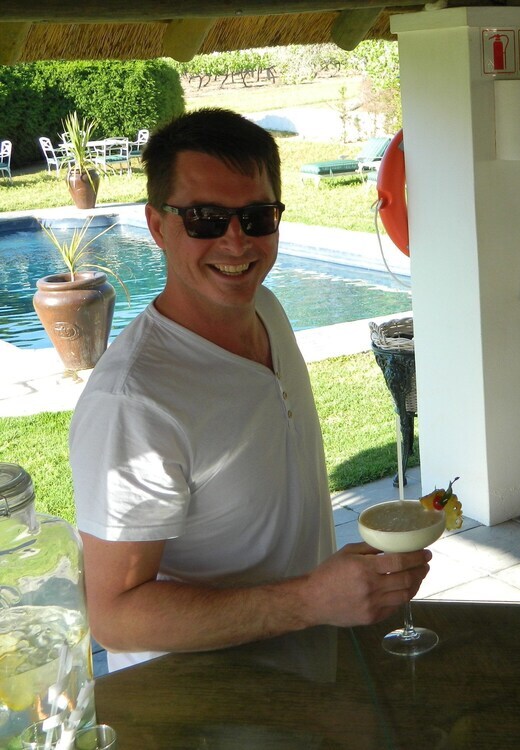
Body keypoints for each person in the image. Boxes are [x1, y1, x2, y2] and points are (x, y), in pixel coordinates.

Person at [70, 108, 430, 671]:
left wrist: (330, 592)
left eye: (257, 217)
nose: (237, 241)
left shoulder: (267, 309)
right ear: (158, 226)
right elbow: (114, 615)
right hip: (202, 698)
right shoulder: (133, 402)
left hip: (305, 665)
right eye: (205, 219)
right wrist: (309, 600)